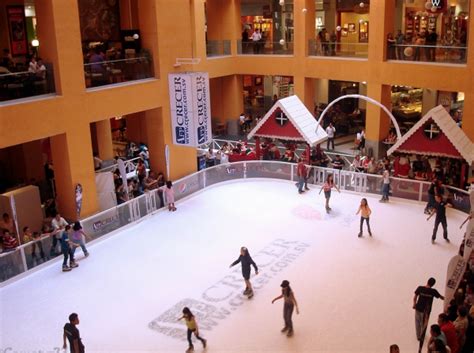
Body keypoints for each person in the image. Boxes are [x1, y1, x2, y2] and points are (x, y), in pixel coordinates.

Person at [413, 277, 445, 342]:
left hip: (418, 308)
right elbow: (441, 297)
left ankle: (418, 336)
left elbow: (415, 297)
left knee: (417, 323)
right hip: (426, 312)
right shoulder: (433, 291)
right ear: (433, 284)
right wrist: (447, 298)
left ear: (427, 281)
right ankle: (422, 336)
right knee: (424, 324)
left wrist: (414, 304)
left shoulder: (420, 288)